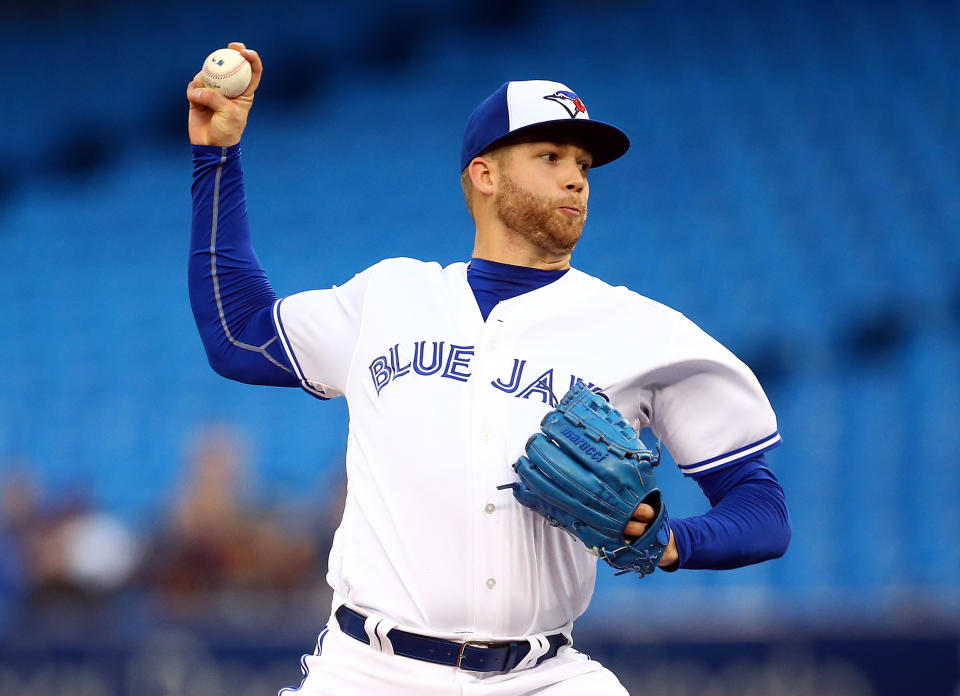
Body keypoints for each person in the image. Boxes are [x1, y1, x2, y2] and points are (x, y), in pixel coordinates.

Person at [186, 42, 791, 696]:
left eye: (584, 164)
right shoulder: (389, 297)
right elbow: (236, 332)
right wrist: (215, 156)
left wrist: (673, 542)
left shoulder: (639, 331)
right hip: (367, 670)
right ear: (484, 174)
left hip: (544, 677)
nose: (576, 178)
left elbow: (762, 510)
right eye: (550, 156)